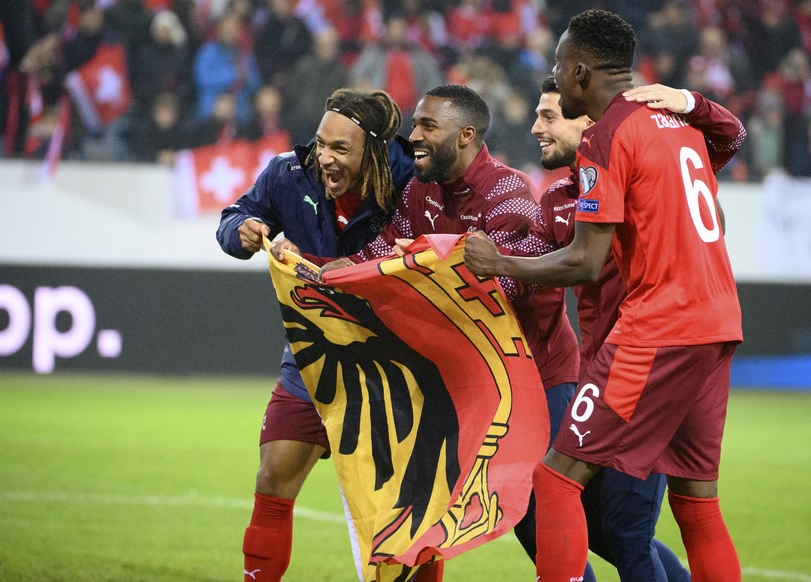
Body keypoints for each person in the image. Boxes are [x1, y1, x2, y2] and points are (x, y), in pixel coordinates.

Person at [463, 10, 744, 582]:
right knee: (697, 504)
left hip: (658, 328)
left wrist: (498, 262)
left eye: (559, 67)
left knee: (555, 479)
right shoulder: (679, 126)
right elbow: (732, 136)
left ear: (582, 70)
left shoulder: (605, 135)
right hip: (719, 324)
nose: (556, 77)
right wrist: (693, 101)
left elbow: (585, 260)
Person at [307, 83, 581, 581]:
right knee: (430, 508)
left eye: (427, 126)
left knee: (571, 523)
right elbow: (382, 254)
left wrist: (422, 277)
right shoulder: (419, 189)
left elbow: (502, 285)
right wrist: (324, 271)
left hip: (538, 380)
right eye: (414, 124)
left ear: (465, 135)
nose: (413, 136)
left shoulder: (509, 193)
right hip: (464, 383)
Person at [215, 87, 414, 582]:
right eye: (322, 142)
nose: (324, 156)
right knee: (273, 477)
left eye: (340, 149)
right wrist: (241, 230)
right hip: (314, 356)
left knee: (406, 511)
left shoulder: (410, 181)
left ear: (373, 151)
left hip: (391, 365)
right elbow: (234, 215)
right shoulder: (289, 171)